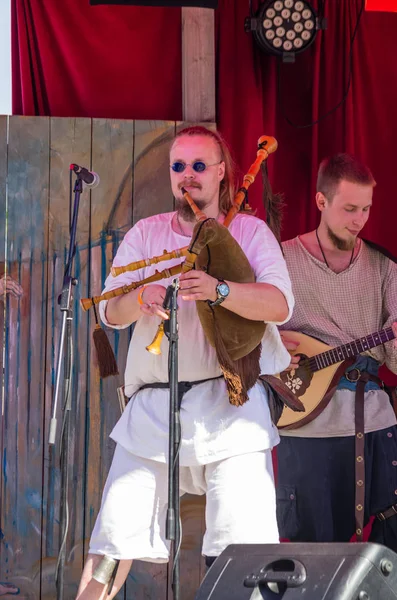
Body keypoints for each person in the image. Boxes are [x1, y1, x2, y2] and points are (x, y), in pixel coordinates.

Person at [76, 126, 294, 599]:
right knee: (112, 540)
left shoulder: (249, 232)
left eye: (199, 166)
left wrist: (221, 291)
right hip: (155, 407)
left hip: (232, 407)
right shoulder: (147, 233)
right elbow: (111, 312)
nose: (188, 176)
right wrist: (142, 296)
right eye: (179, 167)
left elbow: (279, 305)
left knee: (246, 545)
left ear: (221, 174)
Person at [277, 153, 397, 550]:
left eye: (365, 209)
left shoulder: (384, 266)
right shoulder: (281, 258)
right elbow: (247, 334)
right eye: (349, 208)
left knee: (384, 551)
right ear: (320, 201)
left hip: (374, 421)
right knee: (313, 552)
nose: (359, 219)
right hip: (306, 420)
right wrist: (273, 347)